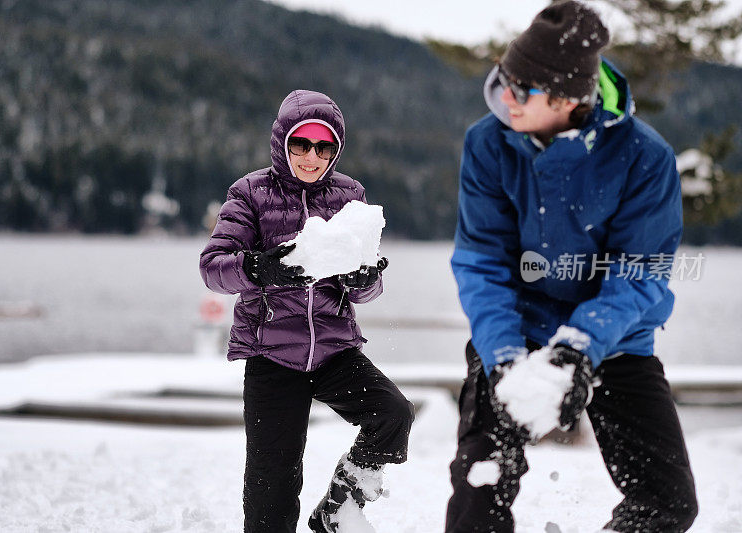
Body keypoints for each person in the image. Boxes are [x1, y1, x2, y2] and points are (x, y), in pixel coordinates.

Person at [445, 2, 698, 532]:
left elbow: (639, 270)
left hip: (616, 338)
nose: (503, 96)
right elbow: (481, 262)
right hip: (514, 331)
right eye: (504, 78)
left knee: (668, 503)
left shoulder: (646, 157)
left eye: (522, 89)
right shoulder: (487, 143)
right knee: (480, 483)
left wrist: (577, 349)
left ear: (566, 99)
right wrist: (505, 357)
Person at [199, 89, 414, 533]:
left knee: (393, 414)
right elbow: (213, 269)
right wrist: (262, 268)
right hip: (272, 353)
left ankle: (339, 509)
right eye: (302, 144)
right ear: (282, 142)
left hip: (335, 350)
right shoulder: (251, 193)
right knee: (272, 481)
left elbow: (367, 289)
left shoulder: (350, 195)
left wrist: (364, 279)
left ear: (335, 149)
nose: (312, 156)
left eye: (324, 146)